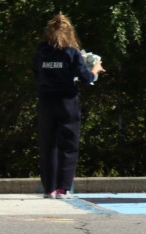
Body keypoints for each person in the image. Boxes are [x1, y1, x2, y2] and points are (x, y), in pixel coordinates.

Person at [34, 13, 103, 199]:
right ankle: (63, 189)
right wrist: (95, 69)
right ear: (69, 33)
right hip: (67, 102)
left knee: (48, 144)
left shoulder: (41, 50)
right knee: (68, 144)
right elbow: (87, 78)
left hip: (46, 101)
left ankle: (49, 189)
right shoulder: (71, 52)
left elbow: (36, 73)